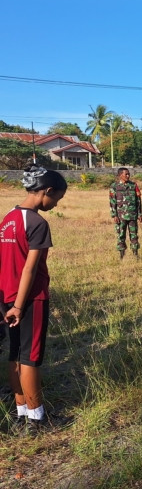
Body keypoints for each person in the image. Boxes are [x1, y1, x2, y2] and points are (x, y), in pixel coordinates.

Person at [0, 164, 68, 434]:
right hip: (29, 299)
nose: (55, 204)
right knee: (31, 358)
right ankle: (37, 419)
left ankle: (21, 412)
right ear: (47, 191)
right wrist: (19, 305)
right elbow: (30, 268)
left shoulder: (8, 217)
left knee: (14, 355)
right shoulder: (38, 222)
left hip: (6, 296)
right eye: (57, 198)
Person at [109, 167, 142, 259]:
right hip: (120, 216)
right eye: (126, 174)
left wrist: (140, 214)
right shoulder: (114, 186)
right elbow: (112, 202)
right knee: (121, 235)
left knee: (134, 235)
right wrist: (114, 215)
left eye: (129, 174)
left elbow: (138, 201)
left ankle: (136, 254)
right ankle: (122, 255)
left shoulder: (134, 185)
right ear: (120, 175)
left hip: (132, 215)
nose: (128, 176)